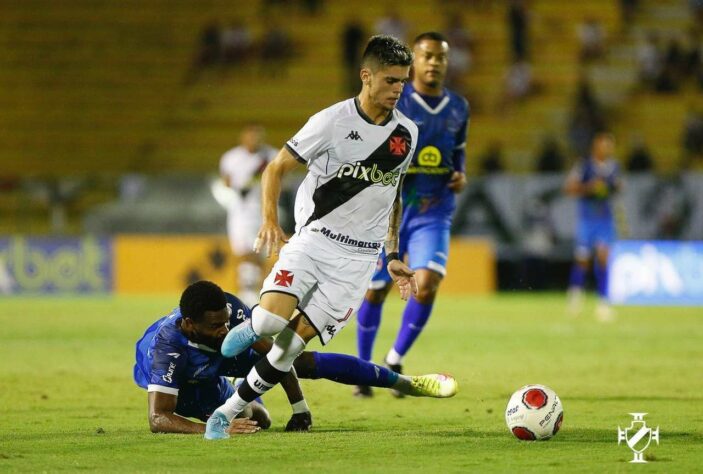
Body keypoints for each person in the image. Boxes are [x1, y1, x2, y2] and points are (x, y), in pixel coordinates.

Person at [204, 34, 458, 440]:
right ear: (366, 76)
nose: (399, 90)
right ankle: (254, 326)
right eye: (391, 80)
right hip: (315, 238)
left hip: (358, 262)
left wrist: (392, 253)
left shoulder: (407, 133)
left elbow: (392, 196)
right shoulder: (332, 121)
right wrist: (270, 221)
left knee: (289, 350)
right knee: (270, 321)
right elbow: (275, 168)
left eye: (403, 81)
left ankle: (225, 412)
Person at [134, 281, 458, 435]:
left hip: (218, 360)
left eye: (225, 321)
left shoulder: (231, 314)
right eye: (214, 325)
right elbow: (158, 418)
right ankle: (238, 393)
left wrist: (300, 408)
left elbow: (280, 354)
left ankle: (405, 381)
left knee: (301, 360)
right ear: (190, 325)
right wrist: (207, 430)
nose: (224, 329)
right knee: (254, 419)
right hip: (187, 381)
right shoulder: (168, 348)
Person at [354, 32, 470, 398]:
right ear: (414, 62)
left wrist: (460, 174)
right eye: (427, 56)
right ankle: (363, 369)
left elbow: (459, 153)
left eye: (441, 57)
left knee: (429, 281)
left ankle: (395, 359)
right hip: (389, 212)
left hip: (434, 212)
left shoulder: (459, 107)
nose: (434, 63)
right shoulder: (396, 103)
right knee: (375, 292)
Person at [213, 125, 278, 307]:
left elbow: (281, 179)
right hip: (239, 213)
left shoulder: (271, 156)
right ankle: (247, 293)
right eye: (250, 137)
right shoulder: (231, 157)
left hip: (263, 211)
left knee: (260, 254)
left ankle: (259, 292)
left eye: (257, 137)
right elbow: (225, 182)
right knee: (242, 252)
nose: (254, 141)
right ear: (243, 138)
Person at [564, 132, 622, 322]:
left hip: (605, 219)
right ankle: (575, 297)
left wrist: (613, 187)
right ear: (595, 146)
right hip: (587, 220)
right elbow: (570, 187)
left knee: (604, 258)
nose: (606, 149)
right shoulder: (584, 165)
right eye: (603, 145)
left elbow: (618, 187)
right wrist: (589, 188)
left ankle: (603, 303)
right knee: (583, 260)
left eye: (609, 145)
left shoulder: (614, 167)